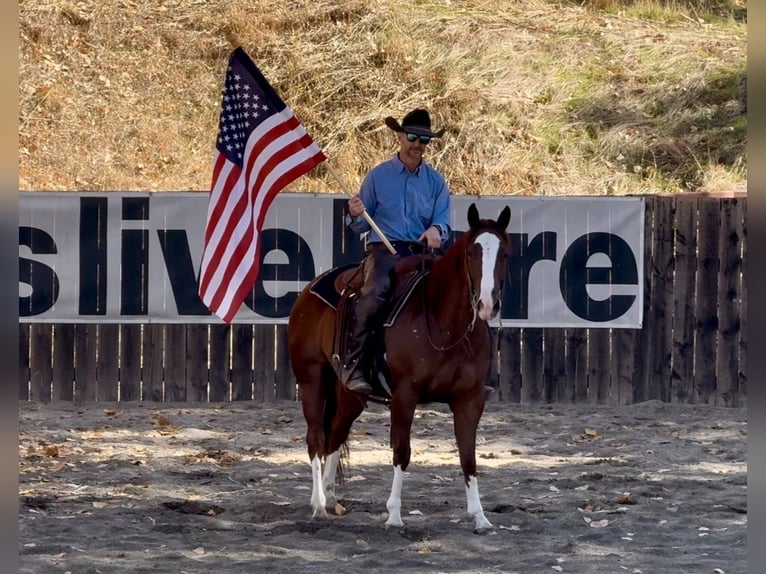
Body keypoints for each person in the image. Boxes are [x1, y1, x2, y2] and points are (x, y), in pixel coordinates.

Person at [340, 108, 452, 394]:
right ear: (400, 137)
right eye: (413, 136)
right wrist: (354, 214)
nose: (417, 144)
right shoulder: (378, 177)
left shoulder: (436, 182)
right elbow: (359, 226)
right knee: (374, 292)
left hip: (422, 252)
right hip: (384, 250)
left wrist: (437, 231)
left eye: (424, 139)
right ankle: (355, 366)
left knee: (457, 294)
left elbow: (443, 221)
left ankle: (459, 370)